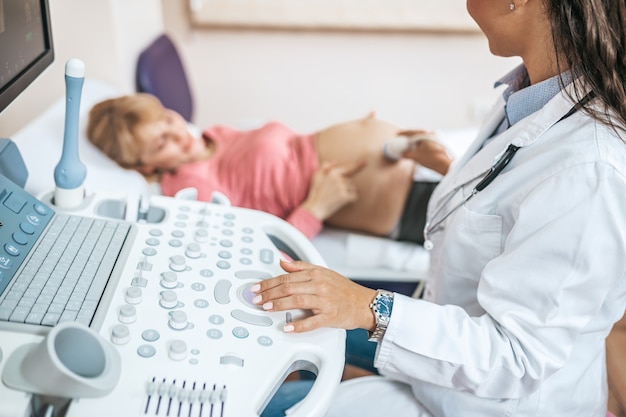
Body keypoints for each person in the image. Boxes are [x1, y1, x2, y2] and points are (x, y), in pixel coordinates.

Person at [253, 0, 626, 416]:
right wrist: (463, 177)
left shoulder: (591, 169)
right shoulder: (533, 94)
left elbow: (517, 358)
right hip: (444, 358)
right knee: (283, 321)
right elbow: (524, 193)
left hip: (489, 401)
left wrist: (365, 306)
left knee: (257, 405)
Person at [86, 93, 451, 242]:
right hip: (402, 207)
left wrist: (363, 134)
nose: (178, 133)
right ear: (144, 164)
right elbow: (254, 251)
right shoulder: (190, 191)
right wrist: (314, 209)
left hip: (414, 166)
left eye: (167, 119)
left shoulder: (216, 135)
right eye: (161, 142)